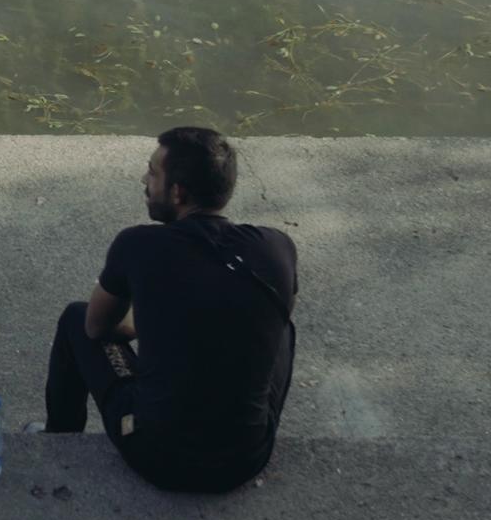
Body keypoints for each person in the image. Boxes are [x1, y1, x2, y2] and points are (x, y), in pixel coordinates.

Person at [41, 126, 298, 492]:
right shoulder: (277, 247)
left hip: (156, 456)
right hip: (245, 458)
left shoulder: (138, 245)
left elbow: (96, 327)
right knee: (281, 329)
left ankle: (58, 438)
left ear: (177, 193)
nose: (145, 180)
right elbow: (275, 314)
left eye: (153, 173)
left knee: (74, 318)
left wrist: (153, 323)